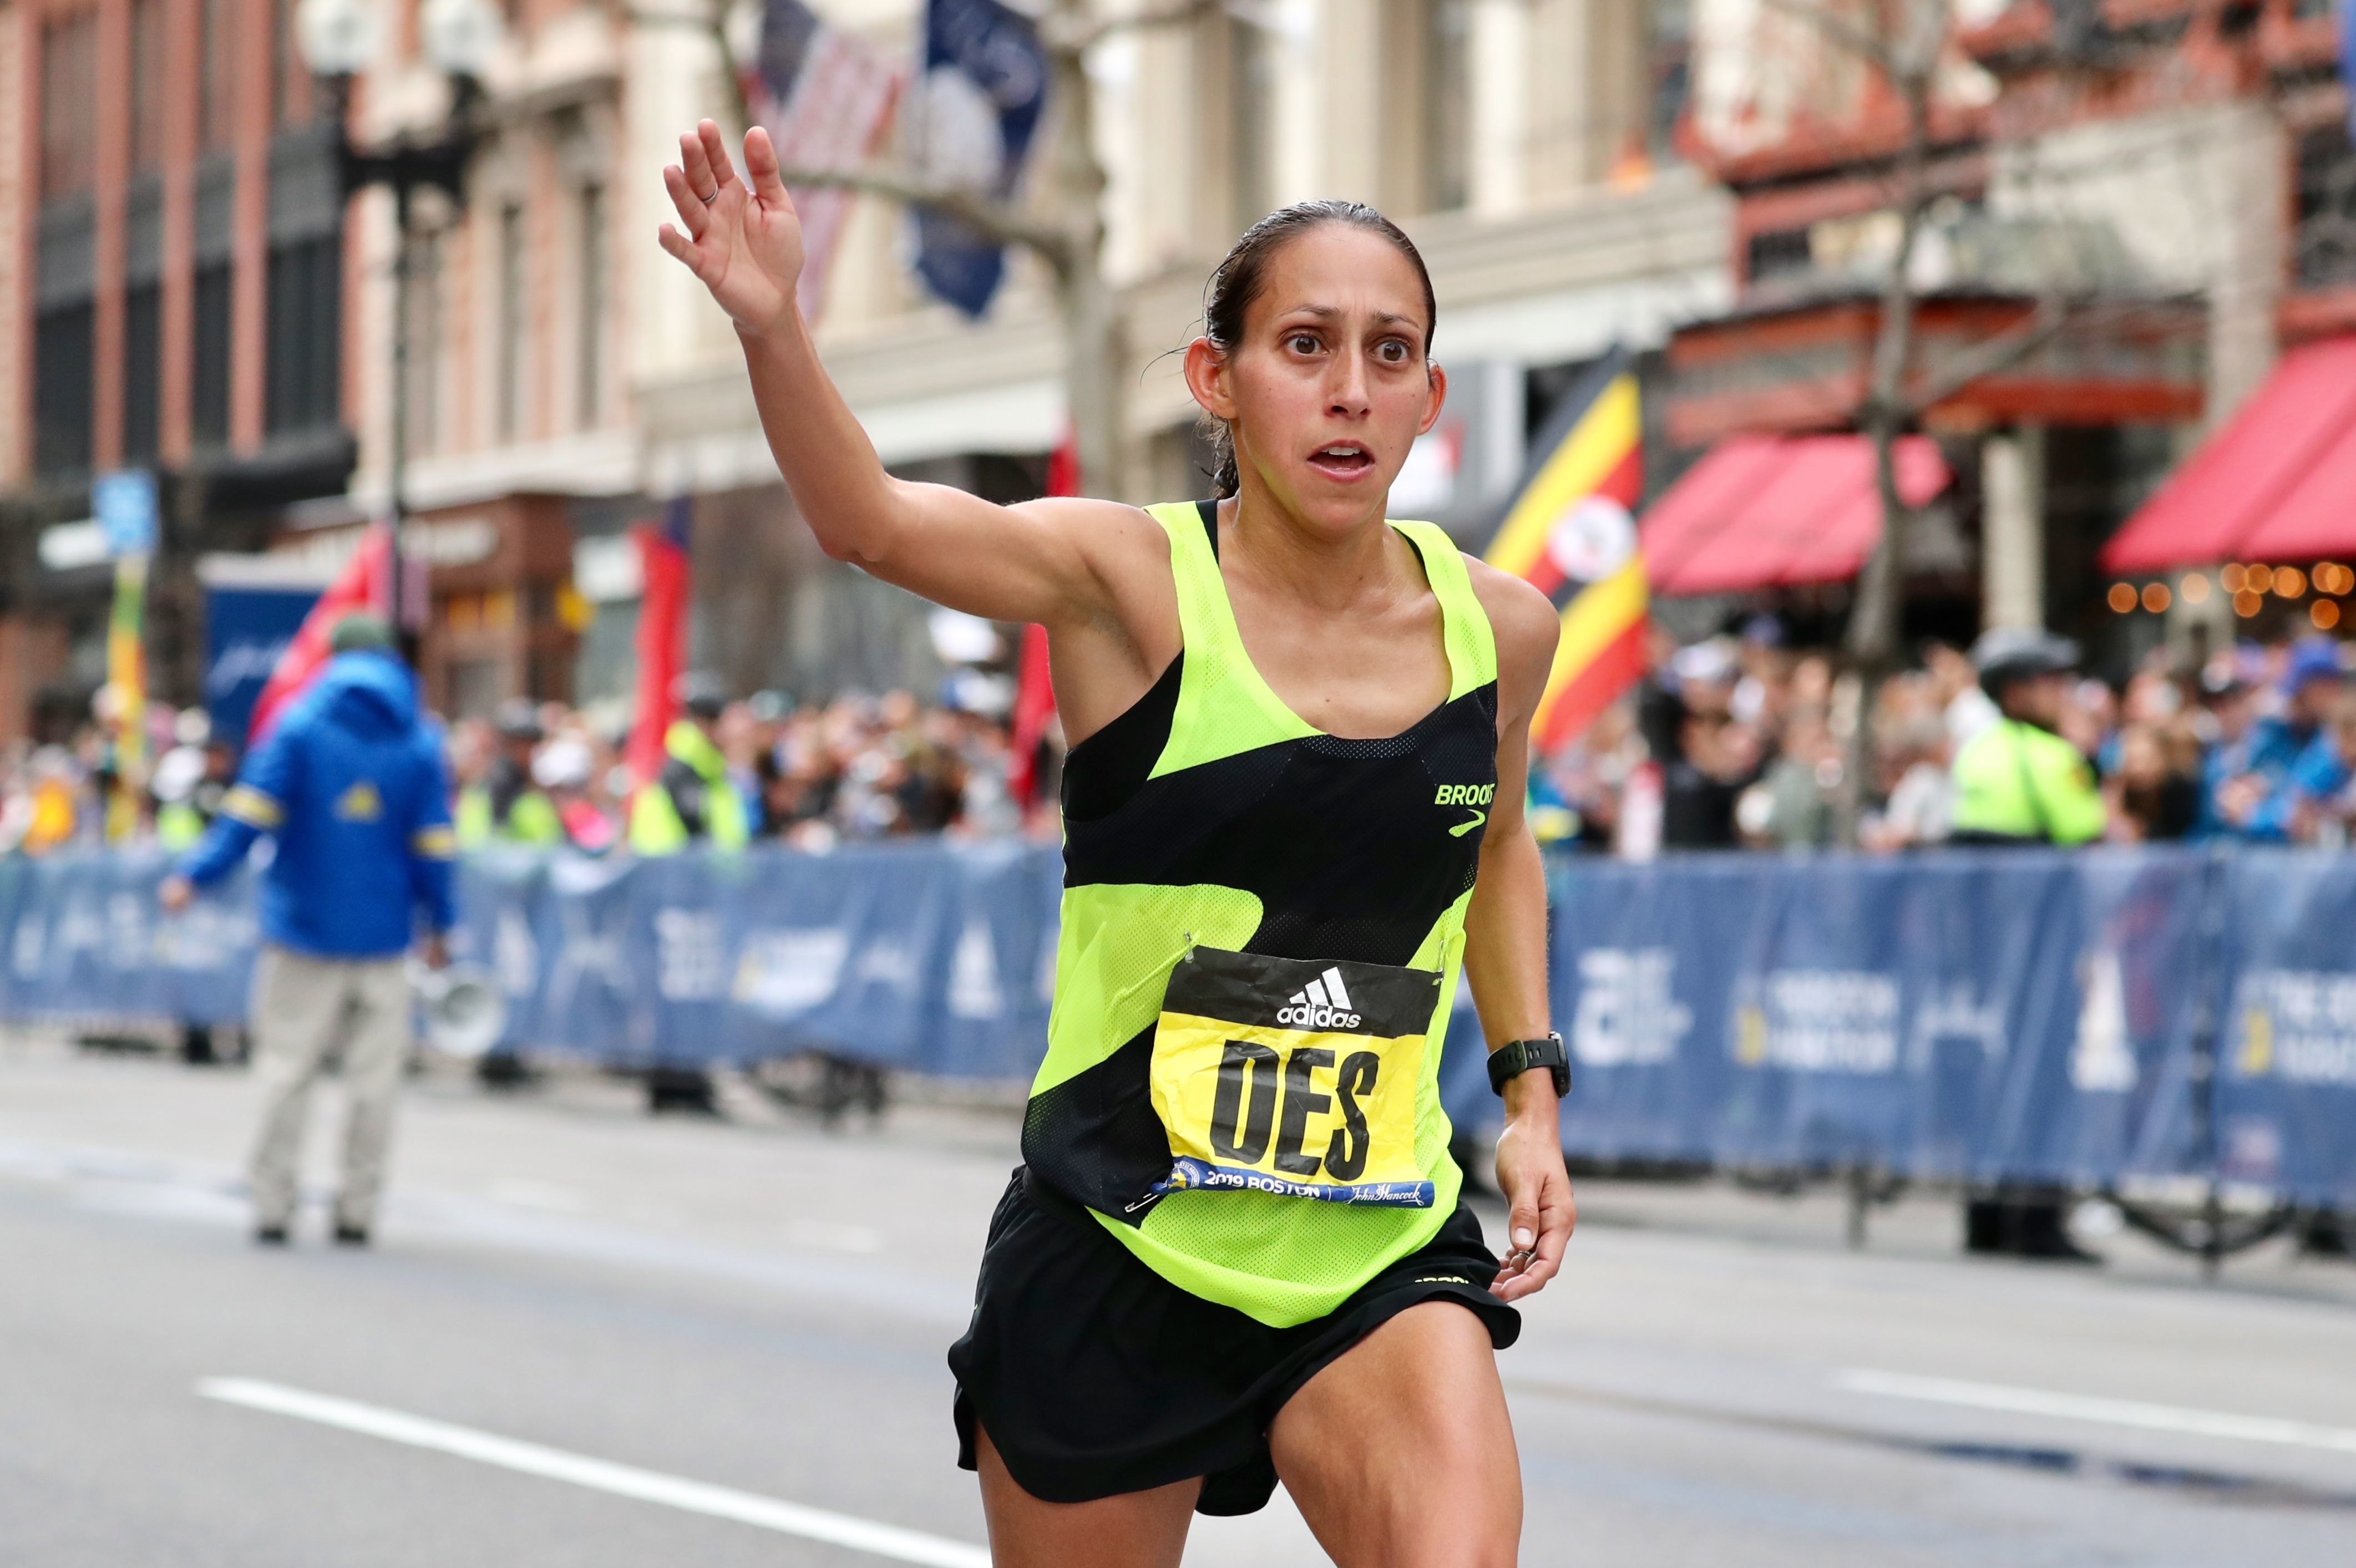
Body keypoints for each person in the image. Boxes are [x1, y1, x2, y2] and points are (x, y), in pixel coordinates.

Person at [661, 121, 1572, 1564]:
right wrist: (772, 323)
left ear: (1428, 395)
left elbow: (1499, 842)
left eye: (1388, 353)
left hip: (1376, 1239)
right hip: (1114, 1232)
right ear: (1216, 378)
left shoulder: (1499, 628)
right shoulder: (1124, 582)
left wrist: (1527, 1096)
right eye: (1304, 346)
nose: (1348, 389)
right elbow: (871, 524)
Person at [158, 613, 455, 1247]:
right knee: (374, 1083)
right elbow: (434, 842)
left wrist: (193, 876)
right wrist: (442, 923)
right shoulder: (419, 738)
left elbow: (248, 816)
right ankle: (357, 1209)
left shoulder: (299, 727)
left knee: (286, 1070)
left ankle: (273, 1202)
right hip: (384, 938)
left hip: (302, 932)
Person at [1947, 628, 2106, 846]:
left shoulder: (1972, 751)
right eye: (2051, 681)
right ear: (2015, 692)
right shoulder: (2056, 756)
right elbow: (2088, 834)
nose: (2063, 691)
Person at [627, 672, 751, 854]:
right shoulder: (682, 770)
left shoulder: (710, 769)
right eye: (727, 722)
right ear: (706, 724)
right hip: (674, 868)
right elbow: (697, 833)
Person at [455, 699, 564, 848]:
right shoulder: (490, 788)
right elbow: (478, 842)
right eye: (519, 744)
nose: (526, 752)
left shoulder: (535, 787)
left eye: (531, 744)